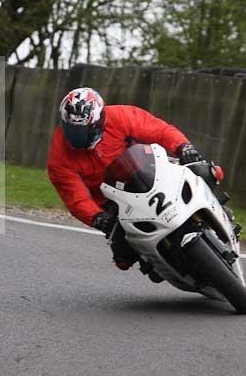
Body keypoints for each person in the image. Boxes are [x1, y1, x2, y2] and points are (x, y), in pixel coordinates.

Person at [46, 87, 204, 272]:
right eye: (74, 131)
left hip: (144, 174)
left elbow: (159, 130)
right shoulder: (59, 155)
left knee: (202, 171)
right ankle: (159, 263)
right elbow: (74, 197)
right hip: (110, 200)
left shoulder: (121, 116)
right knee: (123, 257)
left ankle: (216, 211)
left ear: (100, 120)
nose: (80, 139)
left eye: (86, 130)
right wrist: (97, 217)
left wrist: (183, 147)